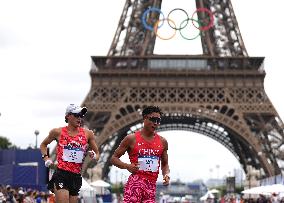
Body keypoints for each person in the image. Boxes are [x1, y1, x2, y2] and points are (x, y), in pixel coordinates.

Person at [40, 104, 100, 203]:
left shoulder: (88, 134)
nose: (79, 118)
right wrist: (46, 158)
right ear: (68, 116)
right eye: (76, 115)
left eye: (81, 115)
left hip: (76, 176)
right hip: (61, 174)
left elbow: (97, 154)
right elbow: (43, 145)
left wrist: (94, 155)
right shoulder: (57, 132)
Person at [110, 105, 170, 202]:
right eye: (153, 119)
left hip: (151, 186)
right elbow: (113, 158)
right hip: (135, 183)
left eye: (158, 121)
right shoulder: (131, 139)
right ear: (145, 118)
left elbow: (165, 163)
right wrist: (127, 166)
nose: (155, 123)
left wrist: (166, 175)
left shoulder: (163, 142)